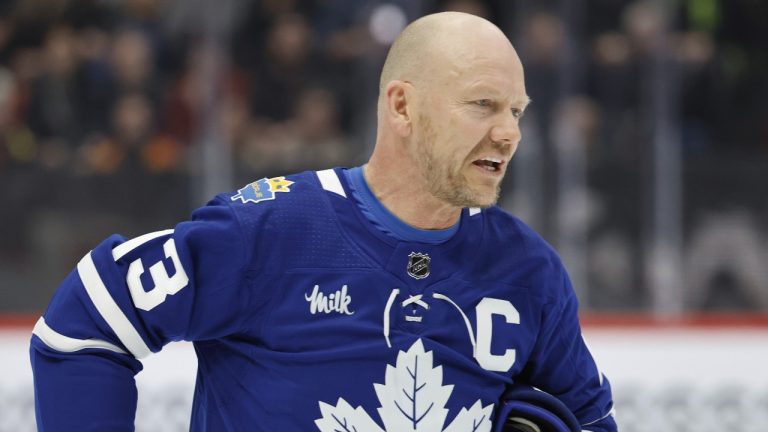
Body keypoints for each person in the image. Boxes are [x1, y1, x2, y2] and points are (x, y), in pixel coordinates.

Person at [30, 12, 617, 432]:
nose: (510, 131)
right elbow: (87, 321)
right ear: (402, 106)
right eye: (483, 105)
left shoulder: (529, 271)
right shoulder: (269, 231)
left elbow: (589, 419)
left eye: (516, 110)